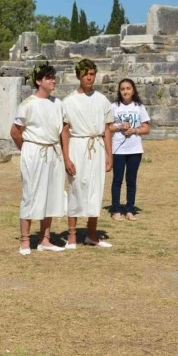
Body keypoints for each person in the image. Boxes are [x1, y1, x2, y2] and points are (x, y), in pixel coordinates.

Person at [10, 62, 66, 255]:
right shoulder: (27, 104)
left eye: (53, 77)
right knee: (31, 194)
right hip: (34, 152)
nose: (53, 81)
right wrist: (27, 149)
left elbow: (61, 131)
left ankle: (45, 239)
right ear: (38, 81)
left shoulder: (58, 104)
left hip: (53, 152)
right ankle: (25, 240)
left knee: (51, 194)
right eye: (48, 77)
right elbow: (15, 132)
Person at [61, 59, 114, 249]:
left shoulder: (102, 100)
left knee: (96, 189)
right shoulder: (68, 101)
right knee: (76, 188)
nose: (89, 77)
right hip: (78, 146)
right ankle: (72, 235)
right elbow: (64, 131)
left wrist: (109, 155)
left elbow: (107, 129)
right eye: (85, 74)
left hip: (97, 146)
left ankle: (92, 234)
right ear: (79, 76)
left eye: (92, 74)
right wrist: (66, 157)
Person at [110, 78, 150, 221]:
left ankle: (129, 209)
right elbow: (107, 127)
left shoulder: (139, 107)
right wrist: (120, 127)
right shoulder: (114, 106)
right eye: (122, 89)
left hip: (134, 149)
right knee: (117, 180)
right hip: (118, 150)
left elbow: (146, 128)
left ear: (133, 90)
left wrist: (134, 130)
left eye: (128, 88)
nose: (125, 91)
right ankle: (115, 209)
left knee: (131, 180)